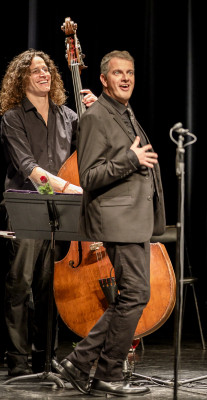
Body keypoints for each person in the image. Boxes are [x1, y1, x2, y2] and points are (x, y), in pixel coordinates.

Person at [55, 50, 166, 397]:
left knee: (132, 295)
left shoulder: (124, 113)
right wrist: (130, 160)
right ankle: (103, 370)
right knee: (135, 295)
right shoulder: (95, 117)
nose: (125, 78)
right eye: (118, 73)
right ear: (103, 80)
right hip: (115, 220)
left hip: (133, 220)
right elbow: (89, 175)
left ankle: (83, 365)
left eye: (130, 73)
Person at [0, 49, 96, 376]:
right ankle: (16, 362)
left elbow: (97, 149)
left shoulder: (69, 116)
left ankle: (45, 359)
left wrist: (101, 112)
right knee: (19, 286)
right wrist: (67, 189)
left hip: (61, 212)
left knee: (49, 288)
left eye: (47, 70)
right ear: (21, 79)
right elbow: (28, 168)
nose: (44, 74)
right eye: (35, 71)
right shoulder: (13, 118)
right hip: (27, 208)